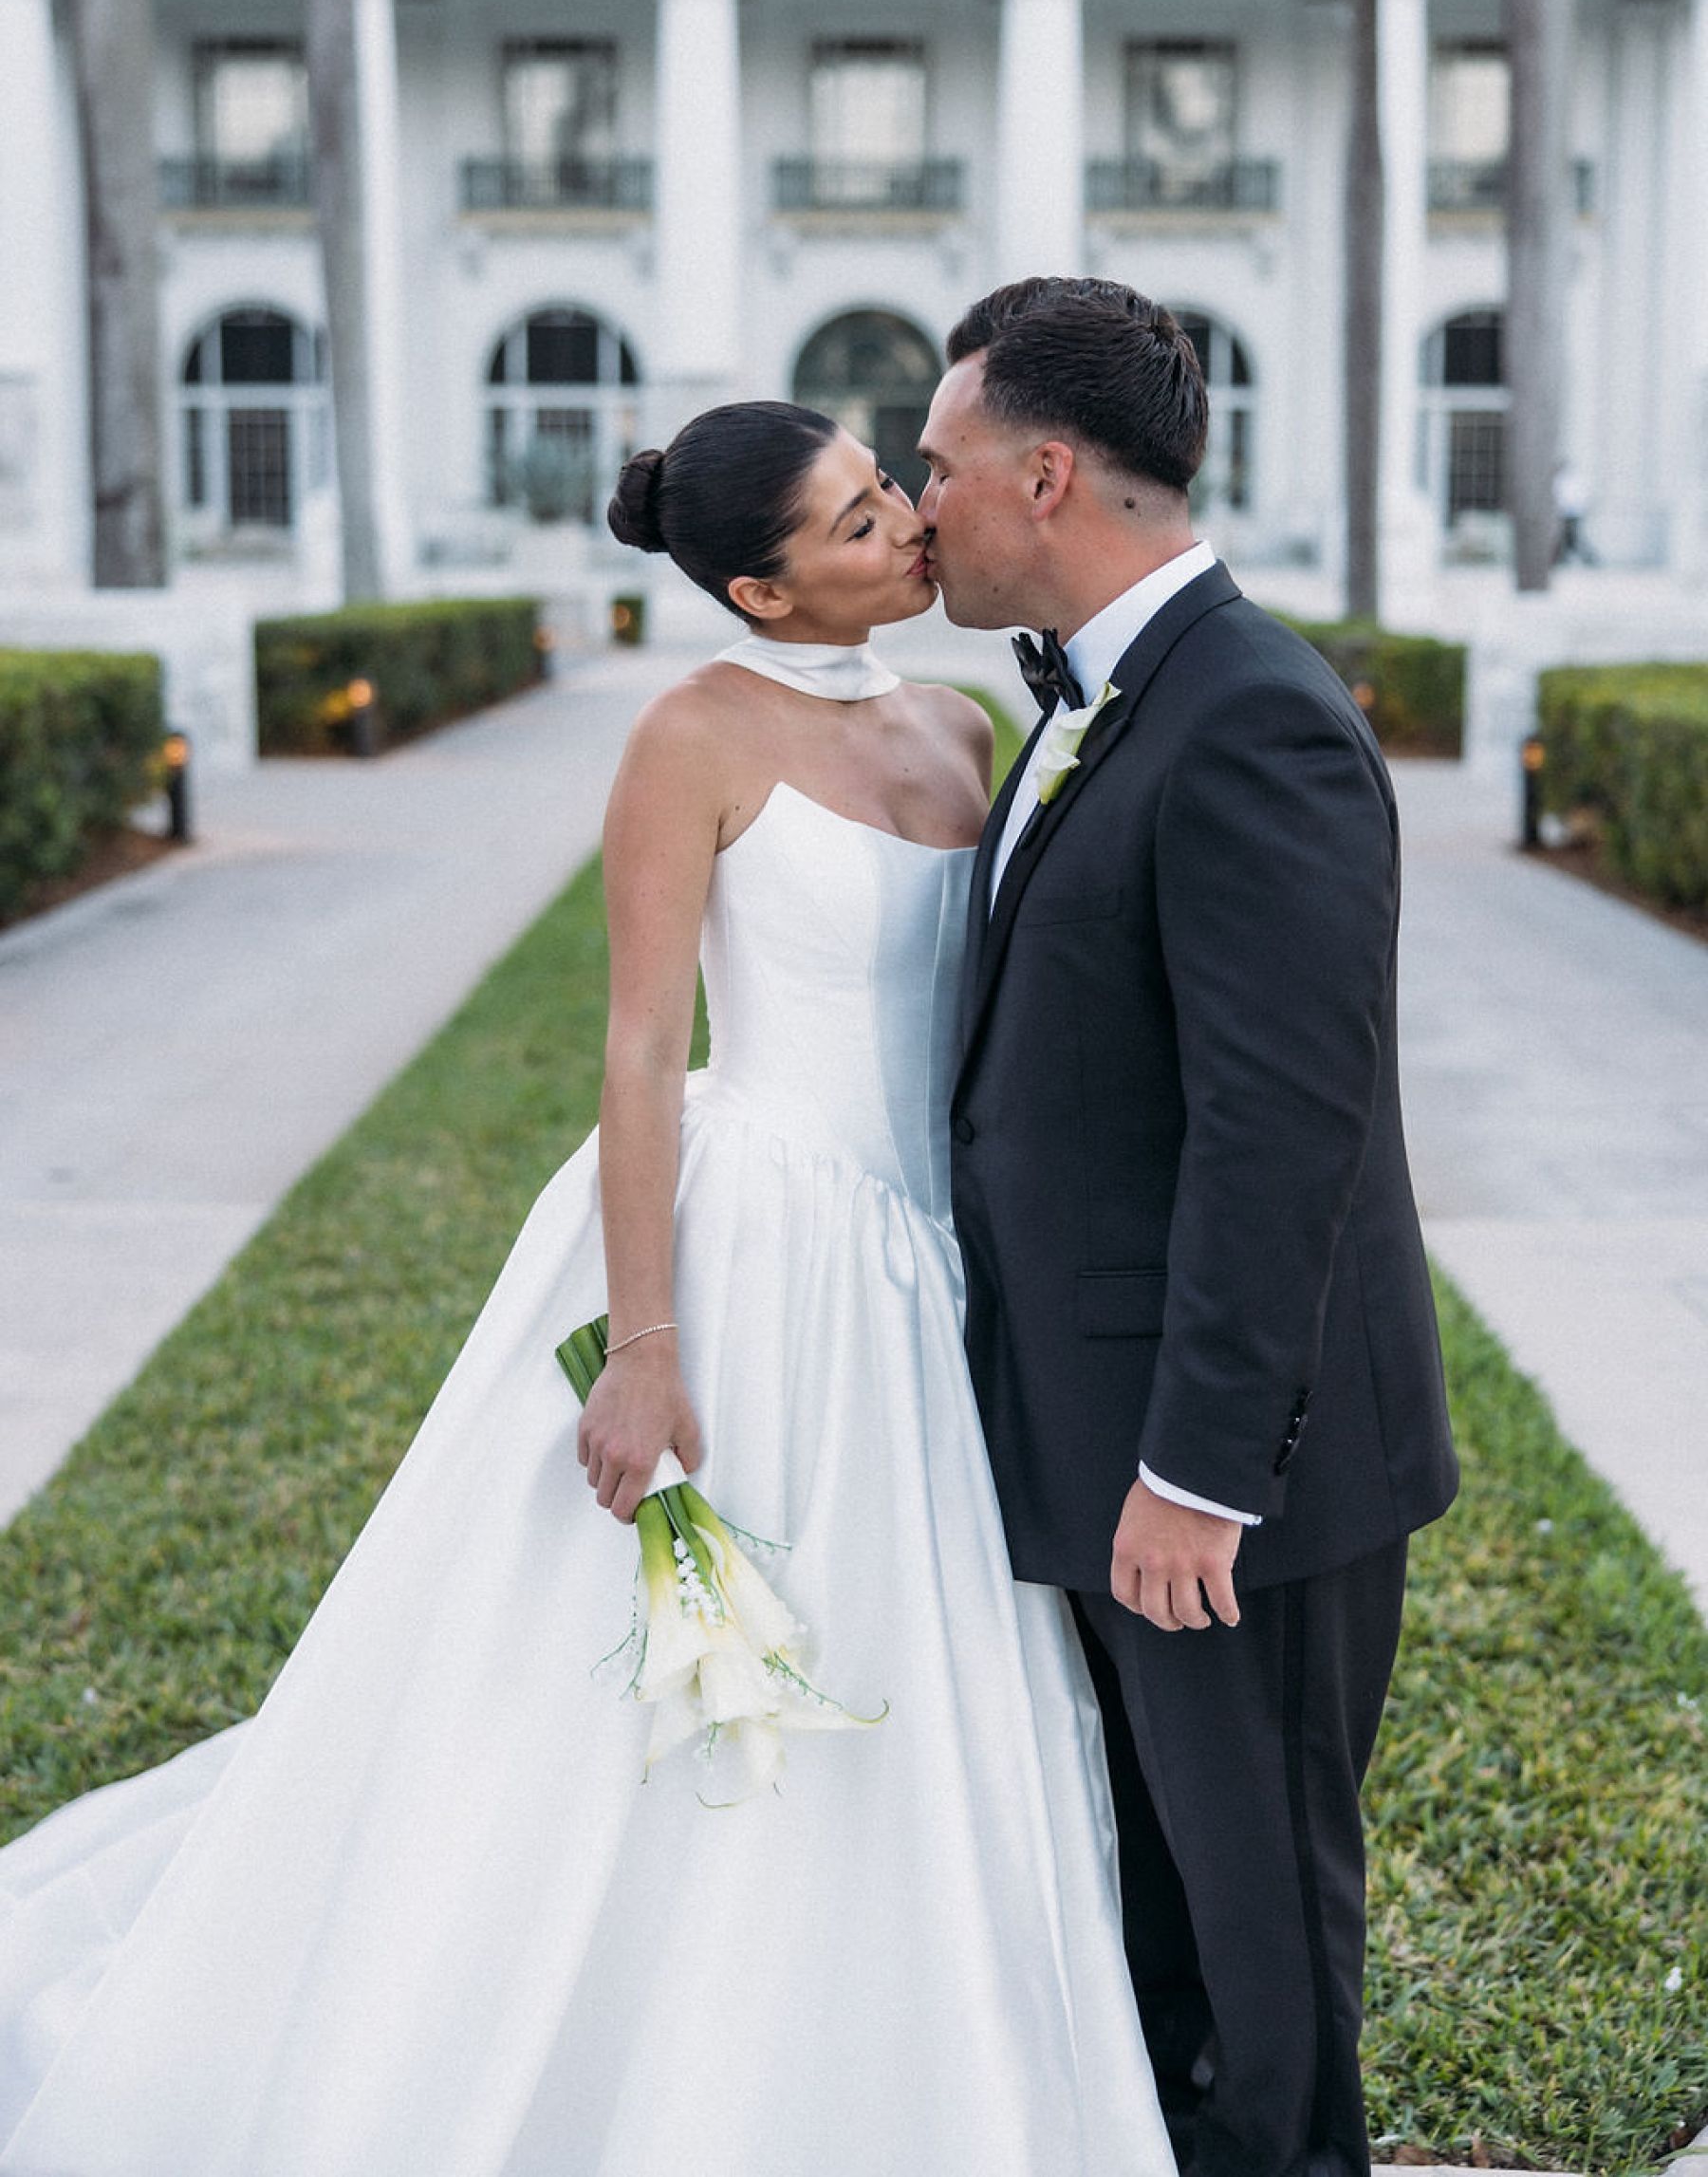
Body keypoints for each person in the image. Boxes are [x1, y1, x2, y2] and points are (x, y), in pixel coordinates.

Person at [0, 400, 1175, 2177]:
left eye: (888, 491)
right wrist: (644, 1342)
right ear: (764, 594)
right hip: (761, 1246)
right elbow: (639, 1050)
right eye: (861, 526)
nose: (907, 531)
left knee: (933, 1662)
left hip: (931, 1265)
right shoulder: (690, 735)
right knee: (656, 1701)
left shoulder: (964, 717)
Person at [918, 277, 1459, 2177]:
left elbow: (1281, 1128)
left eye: (940, 464)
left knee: (1260, 1934)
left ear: (1046, 471)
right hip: (1104, 1441)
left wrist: (1199, 1471)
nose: (920, 509)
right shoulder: (1096, 698)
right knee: (1159, 1917)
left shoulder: (1255, 722)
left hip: (1234, 1477)